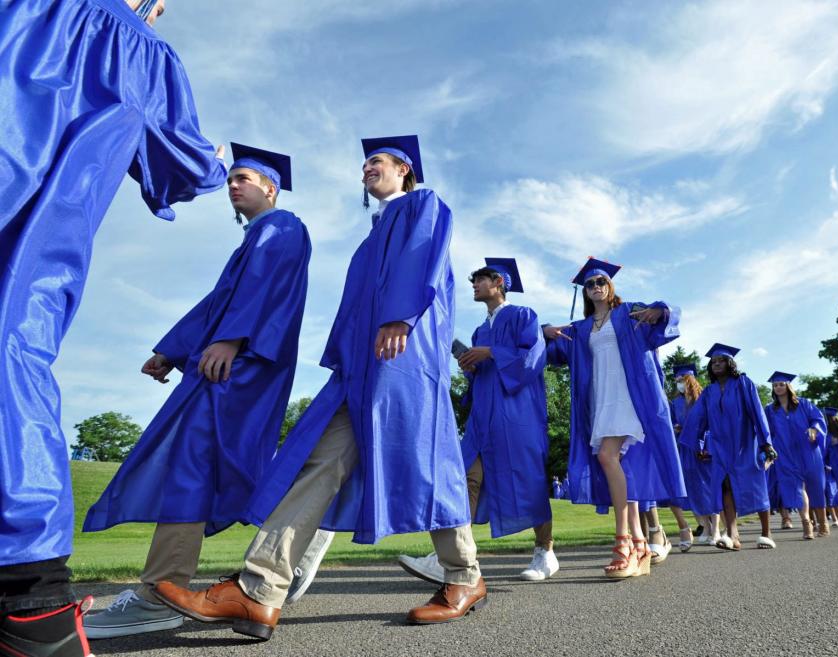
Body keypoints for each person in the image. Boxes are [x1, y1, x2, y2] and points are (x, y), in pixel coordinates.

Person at [152, 135, 485, 637]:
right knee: (318, 462)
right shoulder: (370, 240)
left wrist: (399, 317)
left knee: (426, 460)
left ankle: (464, 576)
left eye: (377, 161)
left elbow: (423, 259)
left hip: (404, 360)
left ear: (404, 170)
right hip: (359, 369)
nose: (367, 168)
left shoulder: (422, 205)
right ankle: (259, 588)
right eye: (365, 163)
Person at [0, 1, 225, 654]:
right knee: (12, 350)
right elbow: (180, 165)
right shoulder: (141, 51)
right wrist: (211, 164)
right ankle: (29, 594)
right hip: (26, 266)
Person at [80, 145, 312, 638]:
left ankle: (161, 590)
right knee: (195, 466)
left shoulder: (283, 227)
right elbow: (216, 303)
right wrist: (173, 350)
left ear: (270, 188)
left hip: (240, 369)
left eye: (244, 177)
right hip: (221, 365)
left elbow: (262, 292)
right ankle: (166, 587)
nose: (233, 184)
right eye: (230, 179)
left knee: (194, 465)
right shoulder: (253, 240)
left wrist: (231, 338)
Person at [399, 259, 558, 583]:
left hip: (517, 415)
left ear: (498, 282)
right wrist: (472, 366)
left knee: (530, 480)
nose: (474, 285)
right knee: (464, 479)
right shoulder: (480, 330)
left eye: (480, 280)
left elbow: (532, 358)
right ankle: (452, 558)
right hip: (482, 416)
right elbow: (485, 364)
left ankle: (545, 551)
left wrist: (492, 353)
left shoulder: (523, 315)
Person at [543, 258, 684, 578]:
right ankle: (640, 547)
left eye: (601, 282)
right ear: (585, 293)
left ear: (610, 287)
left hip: (630, 399)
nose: (596, 287)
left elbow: (668, 315)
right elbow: (549, 354)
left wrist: (660, 311)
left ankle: (622, 542)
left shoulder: (629, 313)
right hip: (601, 402)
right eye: (590, 284)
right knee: (624, 470)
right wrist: (545, 331)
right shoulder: (579, 330)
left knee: (608, 457)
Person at [678, 344, 778, 551]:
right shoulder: (709, 392)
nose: (716, 365)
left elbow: (757, 412)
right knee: (725, 485)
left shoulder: (743, 383)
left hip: (744, 443)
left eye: (721, 361)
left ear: (730, 363)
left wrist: (766, 442)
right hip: (720, 446)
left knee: (755, 484)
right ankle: (733, 535)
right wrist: (698, 444)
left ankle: (766, 532)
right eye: (713, 362)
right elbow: (698, 418)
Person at [764, 372, 830, 540]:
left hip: (808, 450)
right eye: (775, 385)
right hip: (785, 452)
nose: (778, 387)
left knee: (815, 486)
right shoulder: (770, 410)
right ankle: (806, 523)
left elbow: (817, 419)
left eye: (781, 384)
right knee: (795, 488)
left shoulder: (804, 404)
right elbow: (766, 431)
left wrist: (814, 429)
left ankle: (822, 523)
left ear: (788, 386)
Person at [670, 364, 720, 547]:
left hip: (702, 448)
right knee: (692, 490)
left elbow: (711, 423)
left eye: (681, 380)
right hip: (684, 448)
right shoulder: (675, 402)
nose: (679, 384)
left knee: (708, 488)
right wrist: (677, 427)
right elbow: (673, 421)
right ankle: (704, 526)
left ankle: (715, 529)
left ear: (690, 379)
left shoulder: (703, 398)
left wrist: (703, 442)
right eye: (676, 381)